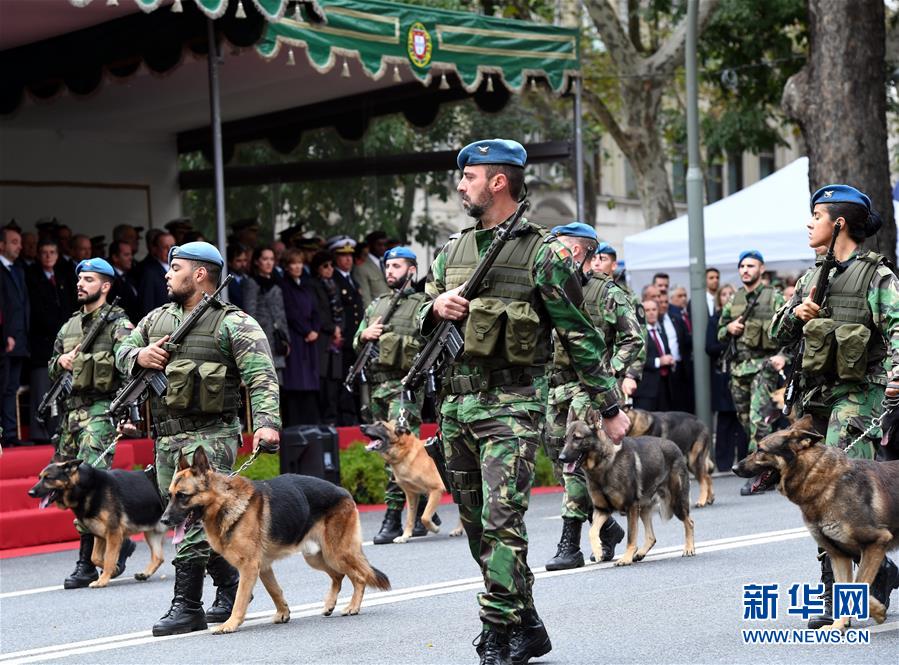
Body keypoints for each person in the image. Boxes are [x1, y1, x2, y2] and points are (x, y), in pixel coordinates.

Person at [422, 139, 629, 665]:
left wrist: (609, 406)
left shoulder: (546, 254)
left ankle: (495, 633)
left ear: (498, 181)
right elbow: (426, 314)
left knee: (501, 520)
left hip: (511, 408)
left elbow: (580, 336)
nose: (460, 184)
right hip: (455, 409)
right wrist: (434, 306)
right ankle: (528, 622)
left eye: (468, 176)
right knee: (475, 527)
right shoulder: (451, 250)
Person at [116, 241, 281, 637]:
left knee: (194, 518)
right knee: (188, 518)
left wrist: (266, 422)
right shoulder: (155, 321)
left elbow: (261, 374)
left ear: (200, 274)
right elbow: (120, 350)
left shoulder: (233, 322)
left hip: (213, 438)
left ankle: (186, 604)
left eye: (175, 268)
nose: (167, 275)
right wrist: (138, 357)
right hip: (168, 439)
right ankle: (228, 591)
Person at [771, 184, 899, 626]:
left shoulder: (877, 276)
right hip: (816, 397)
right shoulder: (810, 278)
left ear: (839, 223)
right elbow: (777, 335)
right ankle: (877, 571)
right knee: (815, 493)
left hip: (859, 394)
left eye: (817, 216)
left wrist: (897, 378)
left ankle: (836, 594)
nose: (810, 224)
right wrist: (796, 314)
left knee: (840, 494)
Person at [543, 225, 643, 571]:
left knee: (575, 463)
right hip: (552, 389)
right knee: (561, 460)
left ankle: (570, 544)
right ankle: (610, 528)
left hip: (588, 389)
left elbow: (634, 339)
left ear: (579, 252)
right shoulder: (549, 289)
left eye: (560, 249)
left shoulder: (607, 293)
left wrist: (609, 370)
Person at [49, 258, 135, 588]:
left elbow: (131, 368)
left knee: (85, 481)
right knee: (63, 485)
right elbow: (52, 366)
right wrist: (61, 361)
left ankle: (86, 563)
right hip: (71, 414)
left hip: (101, 411)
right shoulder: (69, 326)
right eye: (80, 279)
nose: (81, 284)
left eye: (89, 279)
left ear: (106, 286)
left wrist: (126, 414)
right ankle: (120, 543)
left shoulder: (118, 324)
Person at [353, 245, 432, 545]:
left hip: (406, 388)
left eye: (396, 267)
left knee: (397, 451)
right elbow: (356, 341)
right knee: (386, 450)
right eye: (387, 267)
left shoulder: (424, 303)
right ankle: (423, 506)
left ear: (412, 270)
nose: (389, 272)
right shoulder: (377, 305)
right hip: (378, 388)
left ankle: (392, 516)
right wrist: (364, 335)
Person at [717, 249, 786, 494]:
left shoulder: (775, 298)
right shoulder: (733, 300)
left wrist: (782, 355)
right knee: (746, 420)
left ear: (761, 269)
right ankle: (772, 464)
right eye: (742, 266)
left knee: (759, 421)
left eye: (751, 266)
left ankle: (758, 473)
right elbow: (719, 334)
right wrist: (729, 328)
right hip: (739, 370)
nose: (745, 270)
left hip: (763, 367)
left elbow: (788, 330)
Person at [26, 239, 77, 442]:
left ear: (57, 255)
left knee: (60, 389)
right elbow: (36, 310)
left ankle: (57, 430)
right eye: (44, 252)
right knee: (41, 389)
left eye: (52, 252)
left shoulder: (63, 278)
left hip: (61, 344)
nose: (48, 256)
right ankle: (39, 433)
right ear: (38, 255)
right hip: (41, 343)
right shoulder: (32, 277)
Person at [705, 284, 748, 471]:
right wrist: (729, 342)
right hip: (723, 376)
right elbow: (710, 347)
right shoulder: (715, 320)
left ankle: (745, 461)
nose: (728, 297)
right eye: (724, 294)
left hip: (743, 373)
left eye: (732, 294)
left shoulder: (745, 318)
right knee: (724, 421)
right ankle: (723, 464)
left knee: (742, 419)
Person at [280, 248, 320, 426]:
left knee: (309, 381)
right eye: (293, 264)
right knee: (296, 380)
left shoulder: (306, 284)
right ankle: (295, 423)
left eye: (299, 263)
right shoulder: (284, 285)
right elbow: (291, 312)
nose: (297, 267)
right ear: (287, 267)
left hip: (310, 338)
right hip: (296, 337)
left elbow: (315, 309)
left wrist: (315, 329)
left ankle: (310, 422)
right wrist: (306, 331)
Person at [330, 236, 364, 425]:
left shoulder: (352, 280)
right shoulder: (334, 280)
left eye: (350, 256)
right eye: (343, 256)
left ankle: (353, 415)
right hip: (342, 340)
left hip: (354, 340)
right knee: (343, 380)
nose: (348, 259)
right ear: (335, 258)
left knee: (354, 379)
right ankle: (345, 417)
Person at [0, 228, 29, 447]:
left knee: (11, 388)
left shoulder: (18, 269)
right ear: (1, 245)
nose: (19, 246)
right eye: (14, 242)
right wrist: (5, 334)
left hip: (19, 339)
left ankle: (9, 434)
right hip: (4, 339)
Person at [308, 251, 343, 425]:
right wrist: (333, 328)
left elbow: (340, 310)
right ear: (317, 268)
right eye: (325, 266)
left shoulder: (334, 285)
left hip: (335, 340)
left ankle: (332, 418)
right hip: (323, 339)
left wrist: (339, 329)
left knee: (334, 380)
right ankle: (322, 420)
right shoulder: (313, 285)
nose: (330, 269)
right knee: (322, 379)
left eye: (331, 265)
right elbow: (318, 312)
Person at [243, 247, 288, 380]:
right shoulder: (252, 283)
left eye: (271, 259)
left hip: (277, 339)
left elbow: (281, 313)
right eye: (265, 259)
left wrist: (286, 339)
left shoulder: (276, 283)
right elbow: (250, 313)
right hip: (261, 338)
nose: (269, 263)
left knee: (277, 383)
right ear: (257, 262)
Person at [633, 299, 675, 411]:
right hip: (645, 389)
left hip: (664, 386)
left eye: (654, 309)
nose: (651, 313)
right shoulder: (637, 334)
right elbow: (635, 359)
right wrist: (658, 361)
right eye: (647, 310)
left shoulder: (660, 331)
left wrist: (670, 359)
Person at [137, 231, 175, 318]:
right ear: (155, 249)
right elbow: (147, 304)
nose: (169, 250)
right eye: (165, 247)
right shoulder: (149, 272)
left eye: (172, 247)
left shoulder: (179, 269)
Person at [353, 231, 391, 307]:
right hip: (376, 315)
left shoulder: (386, 264)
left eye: (385, 244)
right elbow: (365, 299)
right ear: (370, 245)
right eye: (379, 244)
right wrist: (371, 318)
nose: (383, 247)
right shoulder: (361, 268)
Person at [107, 240, 141, 323]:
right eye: (126, 255)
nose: (131, 258)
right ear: (115, 257)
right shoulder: (109, 280)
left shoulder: (129, 277)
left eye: (131, 254)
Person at [225, 243, 250, 310]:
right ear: (229, 262)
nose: (243, 264)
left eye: (245, 260)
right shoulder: (225, 280)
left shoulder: (248, 278)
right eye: (238, 261)